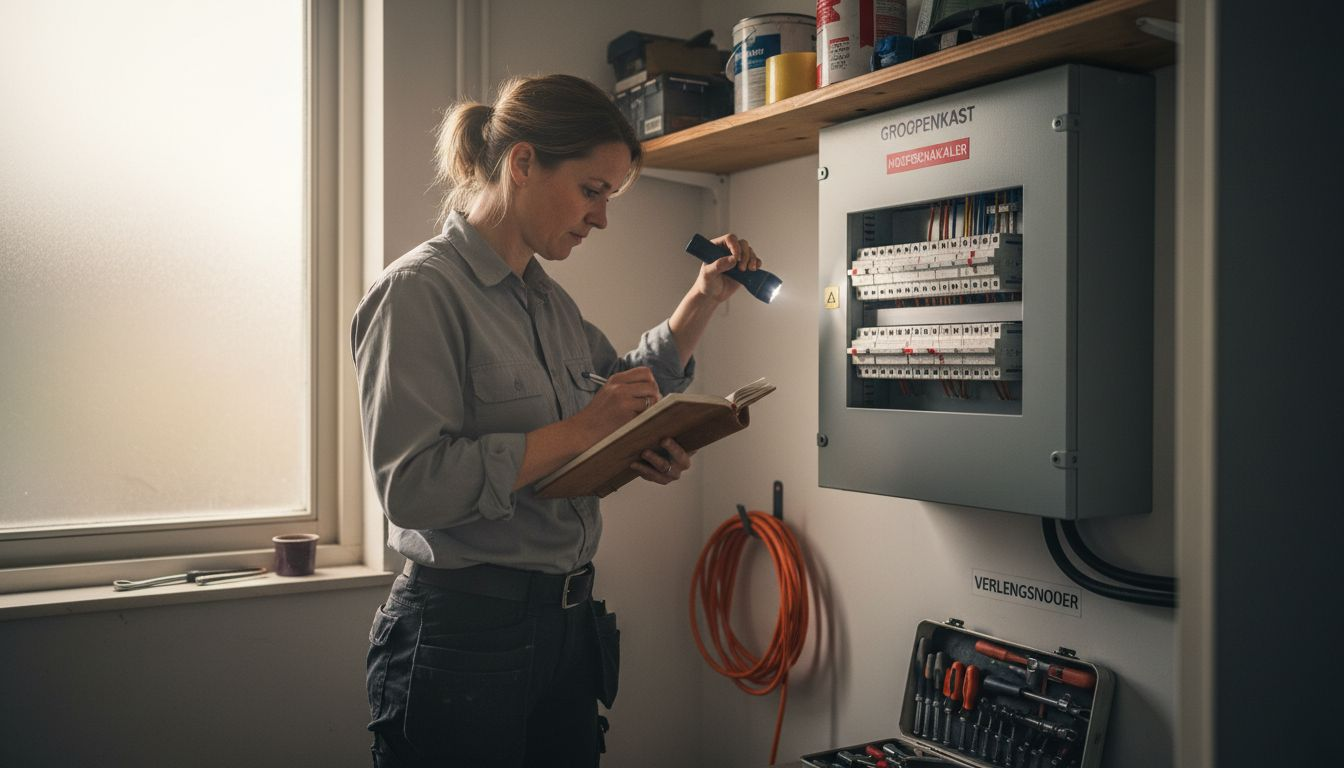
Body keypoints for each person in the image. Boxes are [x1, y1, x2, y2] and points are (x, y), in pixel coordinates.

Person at [351, 73, 764, 767]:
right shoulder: (417, 294)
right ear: (522, 163)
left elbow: (623, 390)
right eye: (592, 190)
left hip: (567, 628)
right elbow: (412, 488)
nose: (601, 218)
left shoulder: (549, 305)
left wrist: (702, 300)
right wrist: (583, 432)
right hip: (464, 640)